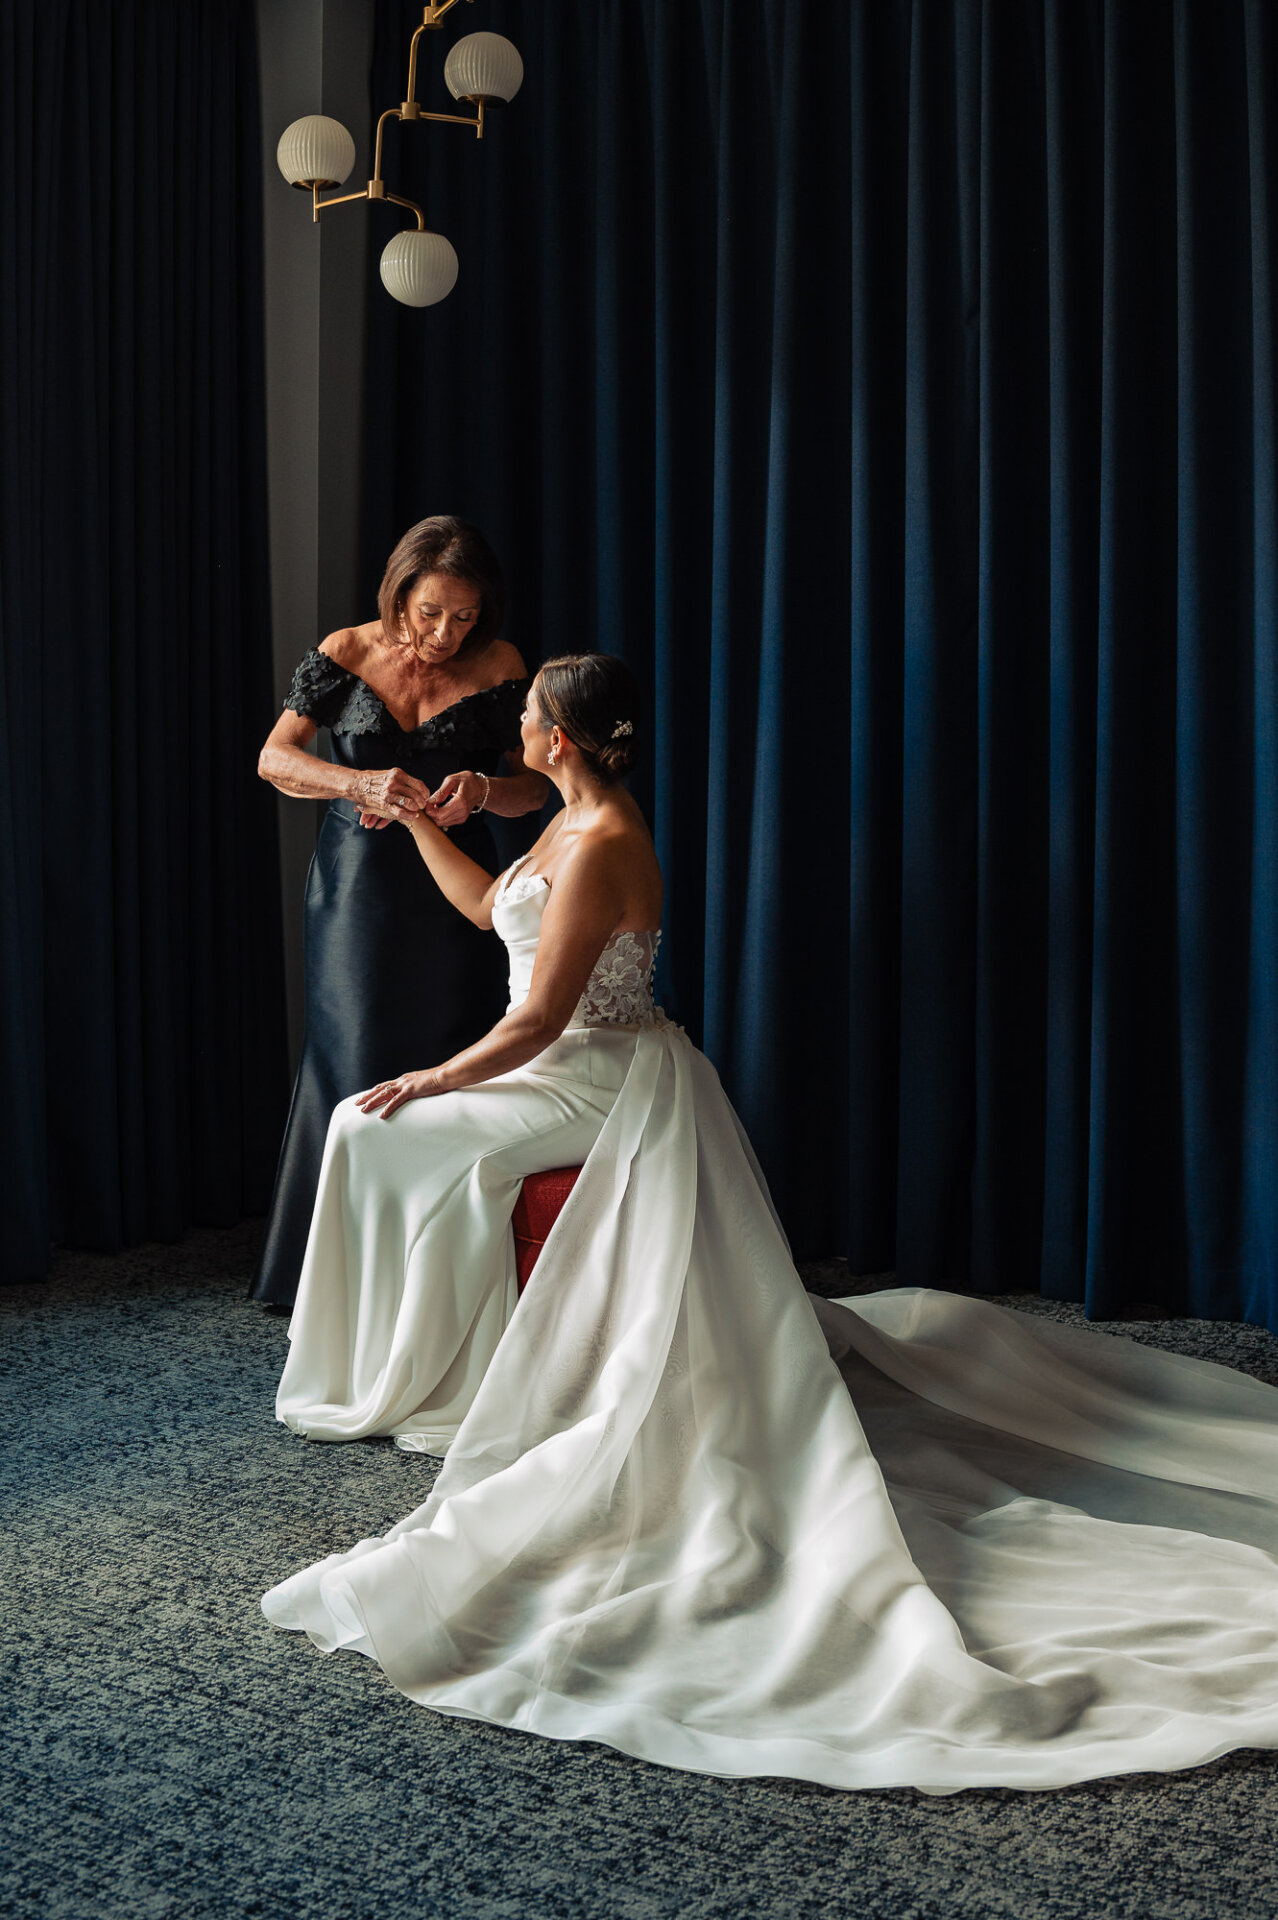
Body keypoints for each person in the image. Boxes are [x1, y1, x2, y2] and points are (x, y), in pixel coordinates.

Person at [263, 654, 1278, 1794]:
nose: (520, 729)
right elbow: (490, 915)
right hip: (539, 1063)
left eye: (531, 717)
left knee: (387, 1121)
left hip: (595, 1074)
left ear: (562, 739)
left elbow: (546, 1014)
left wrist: (441, 1076)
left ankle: (438, 1377)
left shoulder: (603, 843)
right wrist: (411, 827)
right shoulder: (560, 820)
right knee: (363, 1125)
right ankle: (383, 1370)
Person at [249, 516, 547, 1311]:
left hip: (454, 888)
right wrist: (358, 784)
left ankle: (434, 1280)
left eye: (464, 616)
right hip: (358, 887)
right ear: (399, 596)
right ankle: (333, 1281)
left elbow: (535, 787)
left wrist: (485, 792)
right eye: (429, 613)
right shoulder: (346, 651)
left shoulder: (502, 666)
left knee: (448, 1053)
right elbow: (274, 758)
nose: (446, 633)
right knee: (352, 1055)